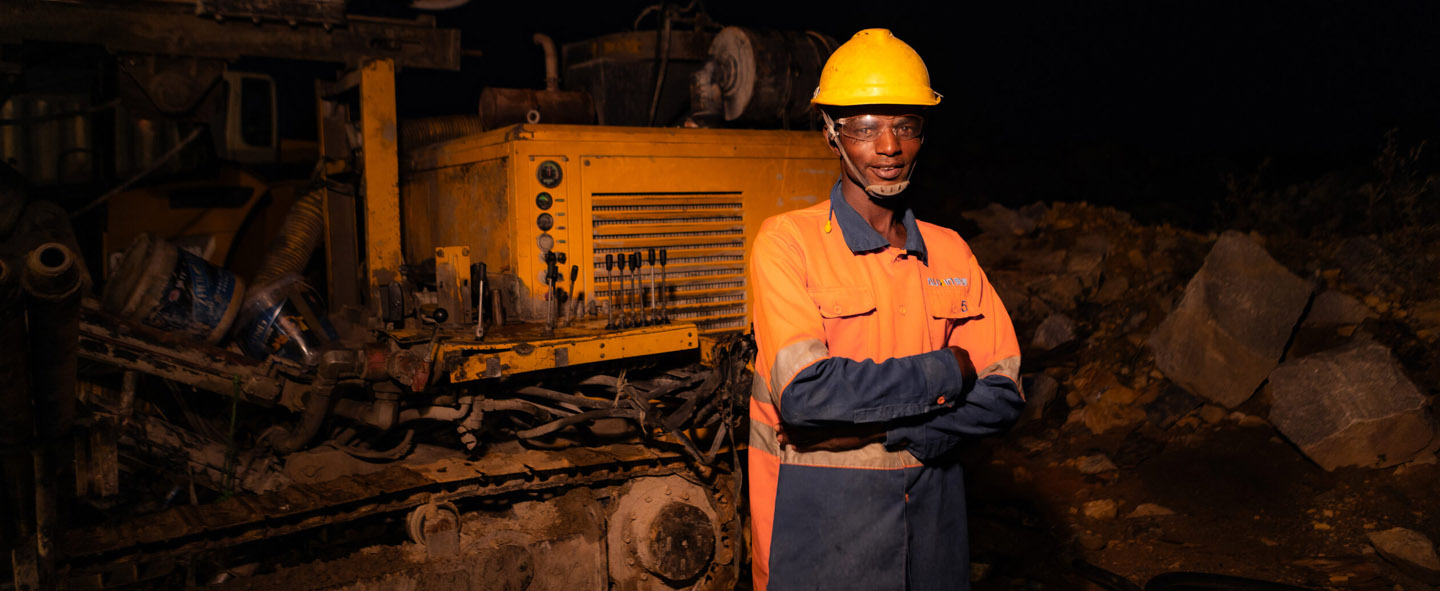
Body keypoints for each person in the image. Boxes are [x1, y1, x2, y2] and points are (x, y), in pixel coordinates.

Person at [747, 28, 1025, 591]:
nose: (889, 147)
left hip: (932, 528)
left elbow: (1004, 392)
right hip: (816, 529)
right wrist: (950, 369)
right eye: (865, 128)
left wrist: (899, 433)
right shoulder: (788, 242)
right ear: (832, 134)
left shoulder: (949, 250)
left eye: (905, 125)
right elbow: (806, 396)